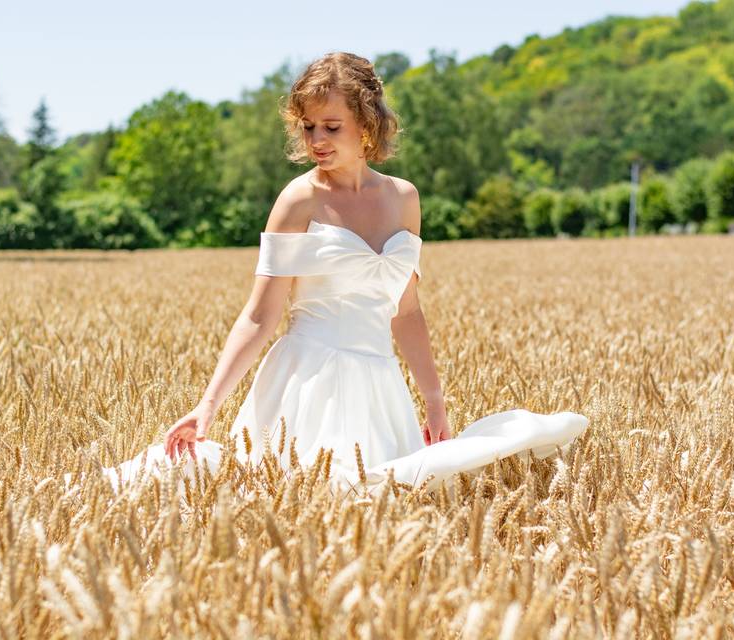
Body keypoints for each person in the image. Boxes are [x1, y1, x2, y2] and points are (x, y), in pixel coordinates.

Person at [77, 52, 588, 496]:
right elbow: (260, 315)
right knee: (301, 497)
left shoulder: (405, 199)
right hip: (306, 383)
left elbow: (406, 312)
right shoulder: (299, 199)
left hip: (381, 388)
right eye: (308, 126)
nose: (317, 139)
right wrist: (206, 407)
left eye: (331, 126)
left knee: (390, 498)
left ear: (367, 124)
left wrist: (434, 403)